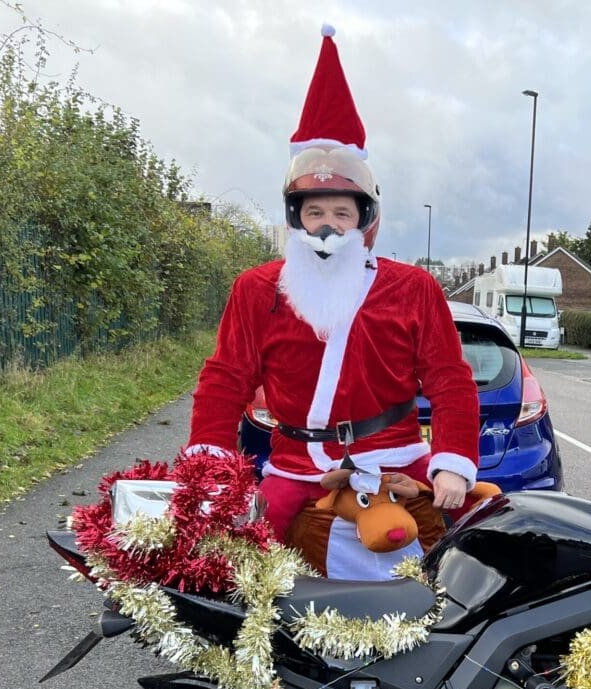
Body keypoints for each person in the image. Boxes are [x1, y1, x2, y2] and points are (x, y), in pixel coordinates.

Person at [185, 25, 480, 559]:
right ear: (295, 218)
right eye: (314, 211)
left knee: (470, 551)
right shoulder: (256, 289)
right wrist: (209, 467)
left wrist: (453, 462)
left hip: (397, 456)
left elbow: (450, 379)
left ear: (364, 218)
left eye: (341, 212)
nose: (327, 226)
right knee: (236, 558)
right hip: (296, 466)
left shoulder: (413, 288)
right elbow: (226, 379)